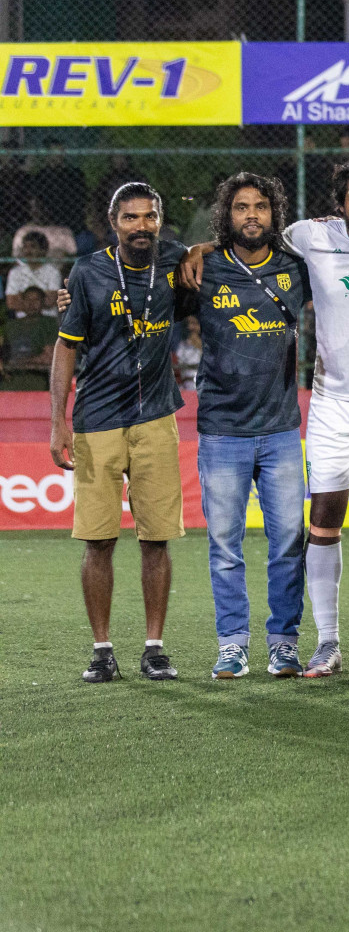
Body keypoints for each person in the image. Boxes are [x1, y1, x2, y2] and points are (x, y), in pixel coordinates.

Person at [183, 156, 349, 677]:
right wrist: (202, 247)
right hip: (332, 402)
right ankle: (328, 642)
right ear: (339, 204)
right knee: (322, 524)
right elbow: (250, 243)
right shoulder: (307, 237)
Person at [51, 182, 186, 683]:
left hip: (156, 418)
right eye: (130, 217)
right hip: (96, 422)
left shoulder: (174, 262)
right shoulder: (87, 272)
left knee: (156, 540)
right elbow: (66, 347)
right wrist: (56, 422)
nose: (141, 225)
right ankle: (102, 649)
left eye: (150, 216)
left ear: (159, 220)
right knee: (98, 540)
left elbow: (214, 254)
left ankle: (154, 647)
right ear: (114, 223)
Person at [183, 174, 311, 679]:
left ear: (274, 214)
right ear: (226, 216)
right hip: (220, 429)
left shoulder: (296, 269)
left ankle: (283, 643)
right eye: (241, 207)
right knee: (224, 547)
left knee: (287, 544)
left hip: (281, 429)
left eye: (261, 206)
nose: (252, 215)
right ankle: (232, 644)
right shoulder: (203, 268)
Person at [2, 286, 58, 390]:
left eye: (36, 300)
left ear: (43, 302)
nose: (31, 303)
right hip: (9, 379)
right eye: (27, 299)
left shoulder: (49, 324)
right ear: (22, 301)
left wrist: (21, 362)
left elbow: (49, 357)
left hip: (37, 378)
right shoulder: (11, 325)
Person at [7, 230, 62, 314]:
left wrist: (22, 297)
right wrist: (40, 299)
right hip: (22, 321)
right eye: (25, 247)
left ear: (43, 250)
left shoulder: (53, 272)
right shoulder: (15, 272)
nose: (28, 251)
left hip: (47, 320)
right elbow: (11, 303)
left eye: (33, 247)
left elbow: (52, 300)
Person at [172, 316, 202, 390]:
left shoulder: (206, 343)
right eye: (189, 324)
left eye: (195, 324)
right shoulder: (183, 344)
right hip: (187, 380)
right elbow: (177, 363)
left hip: (203, 379)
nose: (191, 327)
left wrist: (198, 344)